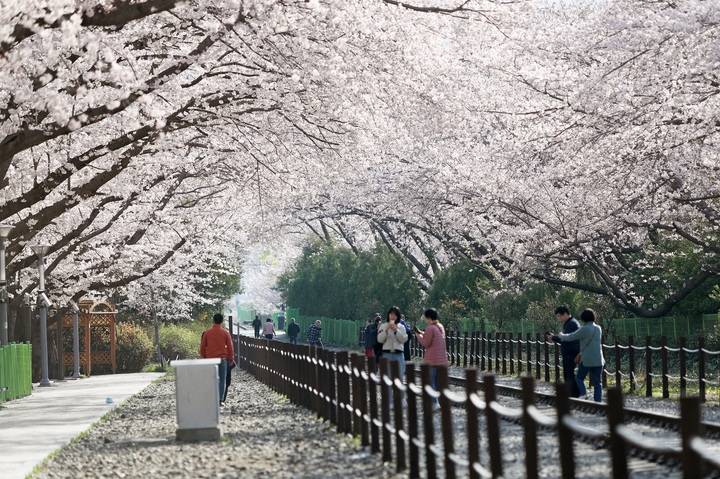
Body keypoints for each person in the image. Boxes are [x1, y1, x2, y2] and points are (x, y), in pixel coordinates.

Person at [558, 308, 604, 402]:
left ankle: (583, 394)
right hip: (598, 359)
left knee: (579, 378)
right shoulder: (598, 328)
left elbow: (572, 336)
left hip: (587, 359)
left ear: (583, 318)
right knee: (597, 382)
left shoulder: (584, 329)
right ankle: (598, 402)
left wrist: (562, 336)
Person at [414, 308, 448, 407]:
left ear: (428, 318)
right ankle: (440, 402)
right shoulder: (440, 326)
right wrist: (422, 333)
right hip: (441, 359)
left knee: (431, 381)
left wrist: (418, 335)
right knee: (438, 383)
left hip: (432, 360)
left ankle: (434, 403)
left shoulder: (430, 328)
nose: (425, 320)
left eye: (425, 318)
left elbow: (426, 343)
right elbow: (434, 338)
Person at [545, 306, 581, 397]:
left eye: (560, 316)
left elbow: (566, 338)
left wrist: (553, 338)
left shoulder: (572, 324)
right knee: (568, 373)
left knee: (569, 374)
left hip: (571, 352)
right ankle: (571, 393)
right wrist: (554, 337)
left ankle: (574, 394)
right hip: (569, 351)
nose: (559, 318)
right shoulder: (568, 323)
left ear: (565, 314)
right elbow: (563, 337)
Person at [200, 313, 235, 406]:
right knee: (222, 380)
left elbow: (202, 347)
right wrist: (231, 358)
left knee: (211, 379)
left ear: (213, 321)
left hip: (210, 359)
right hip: (222, 359)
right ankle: (220, 400)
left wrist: (205, 356)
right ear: (222, 321)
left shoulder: (207, 333)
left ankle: (211, 399)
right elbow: (230, 347)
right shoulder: (225, 333)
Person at [377, 306, 408, 384]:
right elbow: (379, 340)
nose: (392, 317)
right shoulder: (383, 326)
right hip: (386, 354)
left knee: (399, 379)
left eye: (395, 315)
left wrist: (396, 331)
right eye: (391, 314)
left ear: (398, 316)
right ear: (388, 315)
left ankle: (400, 396)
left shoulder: (402, 327)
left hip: (399, 354)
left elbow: (403, 339)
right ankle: (388, 396)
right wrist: (386, 331)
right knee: (387, 379)